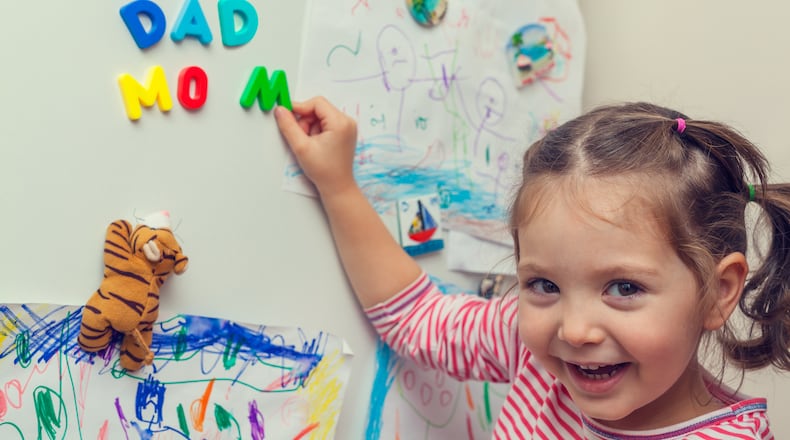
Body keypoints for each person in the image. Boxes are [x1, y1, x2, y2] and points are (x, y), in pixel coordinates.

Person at [274, 97, 790, 439]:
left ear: (718, 292)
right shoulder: (529, 346)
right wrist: (338, 186)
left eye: (624, 287)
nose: (574, 328)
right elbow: (416, 317)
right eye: (544, 284)